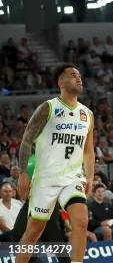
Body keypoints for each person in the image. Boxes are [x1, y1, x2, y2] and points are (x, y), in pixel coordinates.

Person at [16, 64, 95, 263]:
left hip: (72, 178)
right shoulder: (48, 108)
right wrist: (23, 172)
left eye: (79, 75)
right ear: (61, 82)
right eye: (73, 75)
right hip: (46, 180)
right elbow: (26, 140)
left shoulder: (87, 114)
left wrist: (90, 176)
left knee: (81, 221)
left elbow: (88, 149)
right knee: (33, 231)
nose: (79, 79)